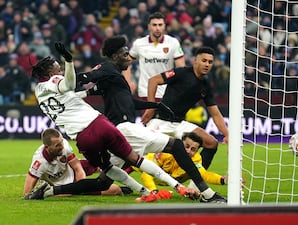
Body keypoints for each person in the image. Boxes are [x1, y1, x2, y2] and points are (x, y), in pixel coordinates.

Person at [26, 42, 190, 203]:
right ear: (49, 73)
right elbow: (69, 84)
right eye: (58, 68)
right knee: (135, 159)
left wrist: (91, 91)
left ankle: (145, 192)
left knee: (107, 170)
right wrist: (69, 61)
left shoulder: (40, 93)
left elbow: (72, 97)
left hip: (82, 138)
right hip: (98, 125)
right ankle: (177, 187)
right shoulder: (54, 81)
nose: (60, 71)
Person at [77, 36, 226, 203]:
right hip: (139, 125)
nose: (129, 58)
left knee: (103, 181)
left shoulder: (116, 77)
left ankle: (53, 190)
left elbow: (128, 101)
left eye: (210, 62)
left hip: (160, 125)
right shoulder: (110, 69)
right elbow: (86, 77)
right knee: (164, 149)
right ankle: (202, 193)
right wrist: (64, 81)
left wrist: (155, 105)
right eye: (125, 54)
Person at [141, 46, 229, 170]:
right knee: (135, 152)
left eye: (210, 62)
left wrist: (227, 134)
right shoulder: (180, 73)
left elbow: (215, 113)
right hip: (160, 121)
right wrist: (150, 107)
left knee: (211, 143)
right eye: (204, 60)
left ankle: (196, 185)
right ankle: (106, 182)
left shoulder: (206, 85)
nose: (207, 64)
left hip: (179, 125)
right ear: (195, 61)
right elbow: (153, 80)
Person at [23, 128, 131, 198]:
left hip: (71, 171)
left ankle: (130, 167)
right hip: (64, 185)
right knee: (115, 190)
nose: (62, 147)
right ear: (47, 147)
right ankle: (122, 188)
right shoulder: (39, 163)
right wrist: (78, 188)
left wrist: (81, 184)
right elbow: (26, 194)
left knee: (101, 163)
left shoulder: (64, 145)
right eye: (57, 145)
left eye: (61, 142)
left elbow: (77, 167)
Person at [135, 132, 227, 191]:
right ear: (180, 144)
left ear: (196, 152)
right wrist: (153, 191)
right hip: (135, 163)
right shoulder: (166, 153)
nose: (188, 151)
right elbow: (146, 173)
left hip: (165, 180)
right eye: (186, 146)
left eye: (193, 149)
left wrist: (223, 180)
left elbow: (203, 174)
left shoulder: (196, 159)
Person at [124, 11, 185, 97]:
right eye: (154, 25)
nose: (157, 28)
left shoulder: (173, 43)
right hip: (145, 93)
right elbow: (125, 63)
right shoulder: (139, 43)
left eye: (160, 25)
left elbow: (181, 68)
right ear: (149, 26)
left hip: (166, 94)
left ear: (164, 26)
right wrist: (128, 82)